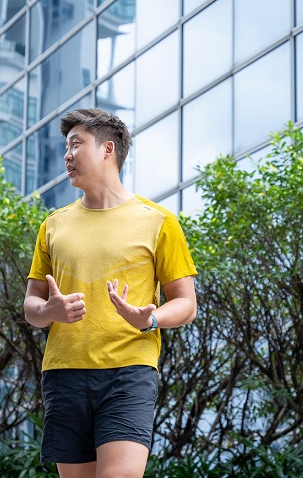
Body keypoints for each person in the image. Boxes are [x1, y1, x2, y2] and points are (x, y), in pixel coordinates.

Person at [24, 108, 198, 478]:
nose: (67, 155)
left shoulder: (159, 221)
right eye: (66, 147)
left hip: (128, 372)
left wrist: (150, 319)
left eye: (76, 144)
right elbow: (31, 306)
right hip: (64, 372)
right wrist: (50, 311)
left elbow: (186, 303)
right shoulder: (53, 226)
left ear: (107, 149)